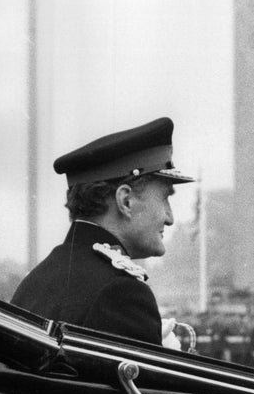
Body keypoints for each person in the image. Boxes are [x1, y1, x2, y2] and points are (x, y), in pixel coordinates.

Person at [11, 117, 194, 345]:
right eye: (165, 199)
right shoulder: (121, 294)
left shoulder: (35, 282)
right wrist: (170, 358)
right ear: (126, 201)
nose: (170, 217)